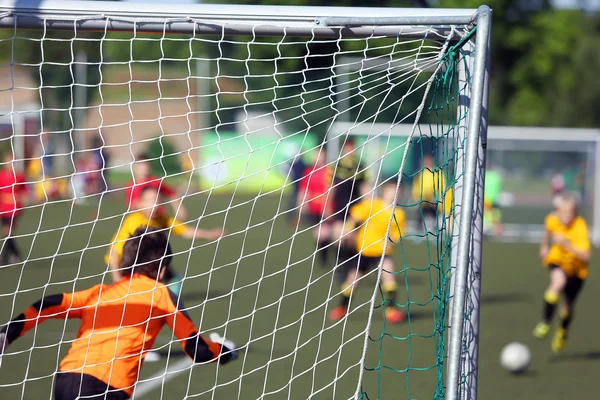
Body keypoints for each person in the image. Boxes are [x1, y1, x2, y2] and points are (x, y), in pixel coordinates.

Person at [0, 227, 238, 400]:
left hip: (65, 379)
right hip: (104, 388)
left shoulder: (101, 292)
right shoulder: (162, 295)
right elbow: (199, 350)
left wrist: (8, 333)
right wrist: (225, 352)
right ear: (163, 268)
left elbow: (48, 304)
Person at [106, 186, 223, 292]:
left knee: (172, 280)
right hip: (124, 262)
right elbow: (114, 252)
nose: (155, 203)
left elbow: (185, 231)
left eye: (157, 200)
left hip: (147, 259)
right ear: (139, 204)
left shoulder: (161, 219)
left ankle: (168, 301)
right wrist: (117, 278)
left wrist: (210, 234)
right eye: (150, 200)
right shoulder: (134, 222)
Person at [328, 179, 406, 324]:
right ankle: (341, 308)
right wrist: (348, 229)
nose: (393, 194)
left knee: (389, 277)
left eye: (396, 191)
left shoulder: (399, 214)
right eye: (390, 191)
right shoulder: (373, 205)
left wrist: (391, 242)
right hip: (364, 249)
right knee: (352, 281)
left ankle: (390, 310)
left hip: (382, 251)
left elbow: (397, 234)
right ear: (384, 192)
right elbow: (355, 215)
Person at [533, 194, 591, 353]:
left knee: (567, 307)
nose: (566, 216)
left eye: (570, 212)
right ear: (557, 212)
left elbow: (586, 256)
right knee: (558, 282)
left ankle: (562, 331)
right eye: (563, 212)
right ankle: (545, 321)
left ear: (575, 212)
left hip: (577, 270)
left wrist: (566, 244)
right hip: (557, 261)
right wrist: (544, 246)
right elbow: (547, 231)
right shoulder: (552, 219)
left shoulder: (580, 226)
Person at [330, 139, 366, 264]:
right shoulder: (337, 167)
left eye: (352, 148)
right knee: (338, 237)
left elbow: (364, 188)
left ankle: (350, 264)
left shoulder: (360, 166)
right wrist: (328, 206)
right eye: (347, 148)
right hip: (339, 206)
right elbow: (332, 188)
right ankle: (339, 264)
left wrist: (367, 205)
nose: (350, 151)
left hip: (355, 207)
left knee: (352, 238)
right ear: (343, 149)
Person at [125, 154, 188, 221]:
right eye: (141, 165)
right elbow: (132, 205)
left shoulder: (155, 181)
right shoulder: (131, 186)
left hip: (159, 218)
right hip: (141, 219)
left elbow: (171, 193)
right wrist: (148, 206)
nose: (143, 168)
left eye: (145, 165)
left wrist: (179, 209)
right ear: (135, 167)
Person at [297, 150, 333, 265]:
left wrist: (329, 205)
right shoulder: (309, 172)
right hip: (314, 208)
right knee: (317, 234)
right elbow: (304, 189)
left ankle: (325, 258)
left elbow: (332, 190)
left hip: (327, 208)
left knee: (325, 233)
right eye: (316, 156)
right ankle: (322, 256)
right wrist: (302, 203)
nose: (318, 158)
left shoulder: (329, 171)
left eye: (320, 156)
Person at [0, 152, 27, 265]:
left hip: (15, 207)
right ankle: (16, 253)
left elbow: (24, 190)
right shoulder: (1, 175)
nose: (10, 164)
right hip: (3, 207)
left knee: (7, 231)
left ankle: (4, 258)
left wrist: (24, 202)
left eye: (12, 162)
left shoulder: (19, 176)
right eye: (8, 161)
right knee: (7, 233)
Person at [411, 154, 446, 236]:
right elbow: (416, 186)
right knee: (420, 214)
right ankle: (418, 230)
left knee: (434, 213)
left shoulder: (437, 172)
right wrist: (416, 197)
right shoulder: (420, 173)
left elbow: (442, 185)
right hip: (423, 200)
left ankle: (435, 230)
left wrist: (438, 196)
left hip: (433, 199)